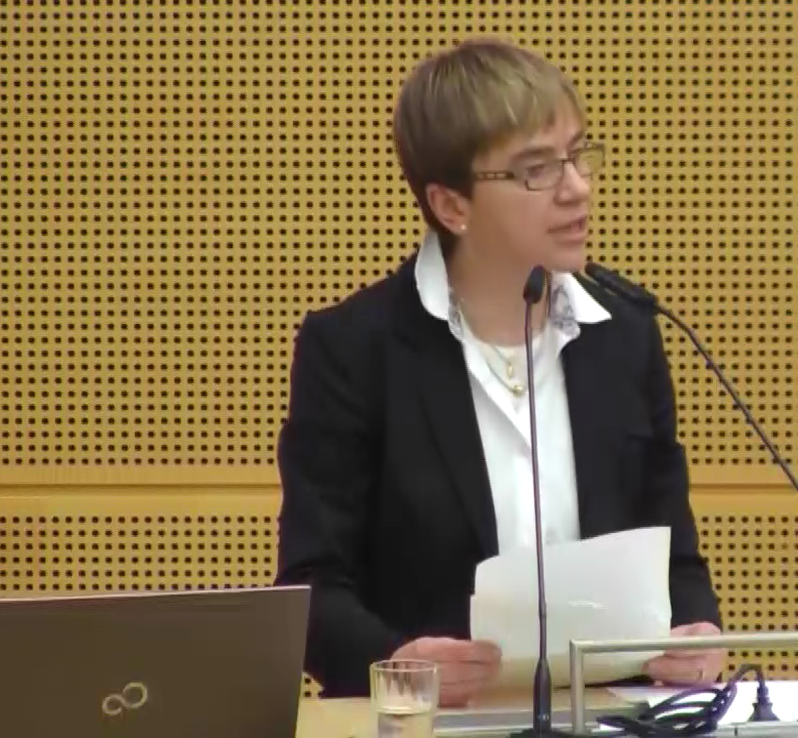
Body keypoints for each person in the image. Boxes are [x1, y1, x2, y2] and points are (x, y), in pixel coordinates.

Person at [274, 37, 725, 707]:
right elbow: (311, 589)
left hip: (611, 718)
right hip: (434, 722)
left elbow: (673, 555)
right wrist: (394, 660)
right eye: (537, 170)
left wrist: (696, 631)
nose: (578, 188)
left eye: (578, 156)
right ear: (451, 206)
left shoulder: (625, 336)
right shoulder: (355, 351)